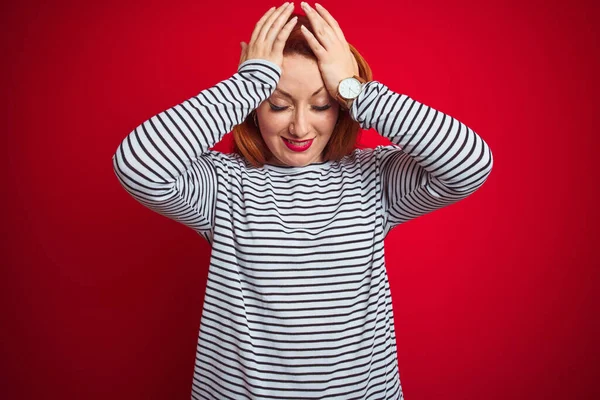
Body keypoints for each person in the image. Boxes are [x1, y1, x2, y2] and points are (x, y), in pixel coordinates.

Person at [112, 2, 494, 399]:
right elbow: (138, 165)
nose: (299, 125)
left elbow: (471, 163)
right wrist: (247, 84)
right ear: (253, 108)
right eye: (277, 104)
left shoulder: (374, 178)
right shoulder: (221, 184)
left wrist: (356, 89)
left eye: (321, 104)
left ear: (342, 109)